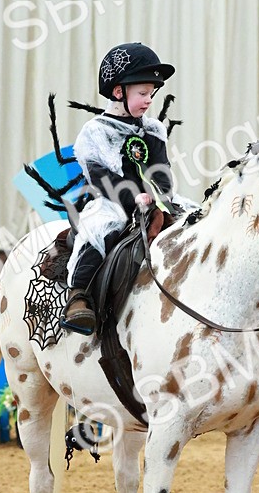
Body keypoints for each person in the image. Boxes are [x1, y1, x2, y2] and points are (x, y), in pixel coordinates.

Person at [61, 42, 177, 335]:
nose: (149, 100)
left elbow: (162, 171)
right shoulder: (95, 132)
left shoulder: (154, 130)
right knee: (99, 231)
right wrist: (132, 197)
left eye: (151, 94)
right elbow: (100, 177)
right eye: (142, 93)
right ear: (118, 92)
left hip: (153, 201)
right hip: (112, 201)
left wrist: (160, 199)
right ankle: (78, 296)